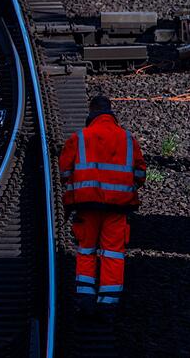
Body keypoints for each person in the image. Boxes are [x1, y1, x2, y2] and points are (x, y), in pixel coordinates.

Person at [59, 95, 146, 317]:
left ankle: (85, 296)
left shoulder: (80, 138)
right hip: (117, 208)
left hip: (87, 206)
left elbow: (65, 172)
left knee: (86, 249)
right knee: (113, 253)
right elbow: (140, 174)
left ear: (91, 114)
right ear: (111, 114)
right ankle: (108, 301)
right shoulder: (128, 139)